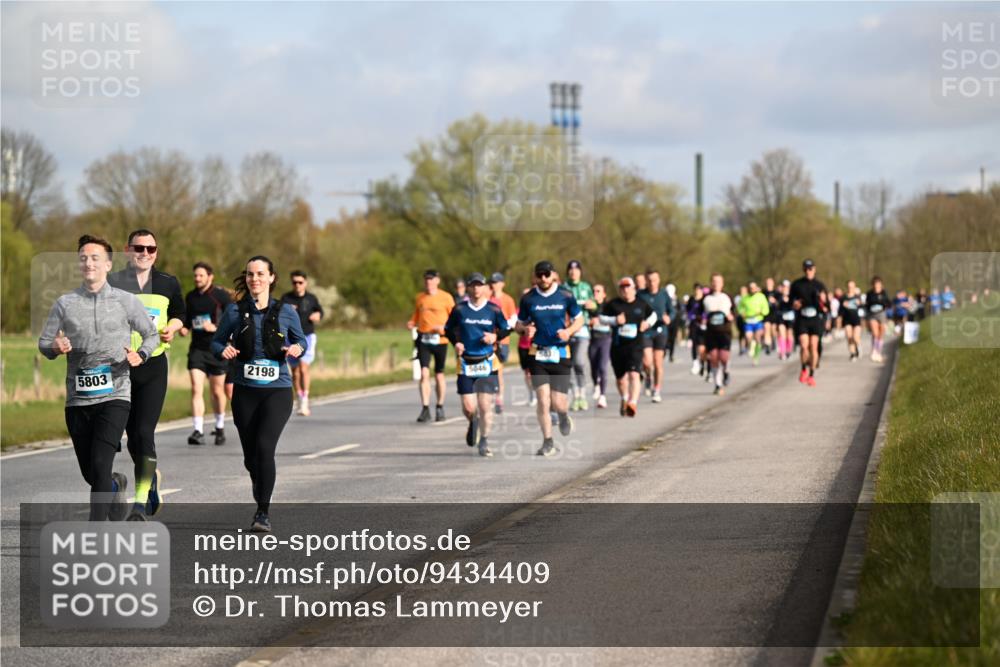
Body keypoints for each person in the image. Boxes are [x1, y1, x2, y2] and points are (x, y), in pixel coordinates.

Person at [38, 235, 158, 521]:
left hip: (115, 395)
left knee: (101, 463)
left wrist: (140, 355)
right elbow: (44, 343)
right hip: (78, 400)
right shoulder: (64, 304)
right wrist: (55, 347)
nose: (88, 262)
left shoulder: (125, 301)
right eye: (83, 258)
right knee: (92, 473)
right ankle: (115, 485)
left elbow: (151, 334)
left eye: (95, 257)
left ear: (107, 264)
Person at [212, 256, 307, 533]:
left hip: (277, 391)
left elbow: (300, 340)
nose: (255, 279)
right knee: (251, 458)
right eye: (251, 274)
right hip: (245, 392)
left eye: (261, 274)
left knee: (265, 449)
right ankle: (260, 478)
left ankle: (262, 512)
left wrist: (297, 349)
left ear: (272, 277)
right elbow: (217, 341)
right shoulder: (233, 311)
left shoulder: (287, 311)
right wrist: (223, 350)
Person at [108, 229, 185, 520]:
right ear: (128, 250)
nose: (145, 254)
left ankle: (139, 504)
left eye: (151, 249)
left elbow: (180, 313)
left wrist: (173, 327)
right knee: (130, 438)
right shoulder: (114, 282)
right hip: (120, 367)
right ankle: (150, 479)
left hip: (152, 365)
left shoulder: (167, 282)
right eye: (139, 248)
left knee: (143, 432)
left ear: (157, 252)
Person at [516, 260, 583, 457]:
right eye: (540, 274)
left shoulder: (566, 295)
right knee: (543, 400)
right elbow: (518, 324)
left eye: (547, 274)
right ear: (535, 276)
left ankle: (563, 415)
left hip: (561, 352)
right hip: (537, 353)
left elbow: (579, 319)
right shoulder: (528, 299)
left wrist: (569, 331)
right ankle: (548, 441)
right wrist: (525, 329)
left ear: (553, 274)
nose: (543, 278)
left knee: (558, 402)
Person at [445, 273, 511, 457]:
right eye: (473, 285)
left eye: (479, 285)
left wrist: (495, 337)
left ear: (484, 288)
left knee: (485, 405)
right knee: (468, 406)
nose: (476, 289)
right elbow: (448, 329)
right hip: (466, 362)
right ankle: (473, 422)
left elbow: (506, 329)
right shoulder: (459, 309)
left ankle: (484, 440)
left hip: (487, 361)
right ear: (468, 288)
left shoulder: (493, 310)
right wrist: (456, 343)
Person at [180, 262, 232, 445]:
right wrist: (184, 328)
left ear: (210, 276)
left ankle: (219, 427)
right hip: (197, 349)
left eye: (201, 275)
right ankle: (198, 430)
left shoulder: (221, 296)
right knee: (196, 388)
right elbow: (187, 319)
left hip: (217, 349)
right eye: (195, 276)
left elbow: (233, 321)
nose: (197, 279)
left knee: (217, 391)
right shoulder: (191, 297)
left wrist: (216, 327)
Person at [599, 276, 655, 416]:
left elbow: (653, 316)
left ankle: (633, 403)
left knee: (634, 374)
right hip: (618, 346)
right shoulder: (613, 304)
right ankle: (624, 398)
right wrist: (614, 320)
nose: (625, 290)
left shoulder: (641, 304)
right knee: (621, 379)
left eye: (628, 287)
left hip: (635, 345)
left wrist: (647, 324)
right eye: (622, 288)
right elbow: (601, 318)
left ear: (634, 289)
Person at [407, 269, 455, 423]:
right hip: (424, 339)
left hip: (440, 340)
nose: (428, 282)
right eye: (426, 279)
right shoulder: (420, 298)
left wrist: (444, 327)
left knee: (439, 374)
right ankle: (425, 408)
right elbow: (416, 315)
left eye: (431, 279)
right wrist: (412, 322)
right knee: (424, 373)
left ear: (437, 281)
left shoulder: (446, 297)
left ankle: (440, 406)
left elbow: (455, 318)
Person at [281, 270, 324, 416]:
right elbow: (278, 315)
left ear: (305, 283)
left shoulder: (311, 298)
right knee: (295, 371)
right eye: (294, 282)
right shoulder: (286, 298)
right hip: (290, 338)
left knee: (303, 367)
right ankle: (299, 397)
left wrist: (317, 315)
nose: (297, 285)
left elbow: (320, 312)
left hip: (307, 336)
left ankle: (305, 399)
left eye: (300, 282)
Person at [789, 259, 828, 387]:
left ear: (814, 270)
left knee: (813, 346)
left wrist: (823, 302)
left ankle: (811, 375)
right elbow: (790, 301)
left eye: (810, 269)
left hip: (815, 319)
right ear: (803, 270)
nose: (808, 271)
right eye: (806, 269)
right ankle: (803, 368)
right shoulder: (797, 284)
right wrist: (794, 304)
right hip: (802, 319)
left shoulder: (820, 285)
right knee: (804, 346)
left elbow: (826, 306)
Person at [564, 260, 595, 411]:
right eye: (570, 269)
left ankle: (582, 393)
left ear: (580, 272)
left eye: (576, 270)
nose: (573, 272)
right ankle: (575, 395)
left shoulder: (586, 287)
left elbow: (595, 304)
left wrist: (591, 305)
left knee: (579, 362)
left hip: (582, 330)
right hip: (567, 331)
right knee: (567, 365)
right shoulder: (564, 288)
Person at [638, 268, 672, 402]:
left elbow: (672, 311)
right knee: (647, 362)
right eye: (649, 280)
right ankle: (647, 376)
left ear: (659, 280)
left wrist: (669, 317)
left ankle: (656, 389)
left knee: (658, 363)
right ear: (646, 281)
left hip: (660, 331)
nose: (652, 283)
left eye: (655, 280)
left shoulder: (664, 294)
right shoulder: (641, 295)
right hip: (646, 331)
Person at [487, 272, 518, 415]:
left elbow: (513, 319)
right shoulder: (487, 298)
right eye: (492, 282)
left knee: (498, 369)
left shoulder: (508, 299)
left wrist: (503, 331)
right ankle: (493, 397)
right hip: (488, 339)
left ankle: (499, 397)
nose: (494, 285)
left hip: (502, 340)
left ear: (502, 284)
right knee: (490, 369)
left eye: (496, 282)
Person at [702, 273, 735, 395]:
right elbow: (701, 314)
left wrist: (731, 316)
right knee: (714, 358)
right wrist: (702, 320)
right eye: (714, 281)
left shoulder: (727, 297)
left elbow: (734, 312)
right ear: (711, 283)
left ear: (722, 283)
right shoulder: (706, 299)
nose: (716, 284)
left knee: (724, 357)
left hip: (724, 332)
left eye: (718, 281)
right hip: (711, 333)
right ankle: (718, 384)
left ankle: (726, 371)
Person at [587, 283, 612, 409]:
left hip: (605, 339)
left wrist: (599, 319)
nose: (595, 293)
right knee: (593, 367)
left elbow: (613, 320)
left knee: (602, 367)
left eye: (598, 291)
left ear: (604, 294)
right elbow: (582, 320)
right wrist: (589, 322)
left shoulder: (608, 306)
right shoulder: (588, 306)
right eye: (594, 291)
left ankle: (603, 396)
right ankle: (596, 384)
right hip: (592, 339)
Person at [737, 281, 769, 365]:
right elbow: (739, 307)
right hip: (748, 321)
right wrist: (741, 312)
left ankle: (756, 356)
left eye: (754, 288)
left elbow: (766, 308)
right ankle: (751, 346)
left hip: (758, 320)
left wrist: (762, 312)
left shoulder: (761, 297)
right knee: (748, 337)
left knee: (758, 337)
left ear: (756, 288)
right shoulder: (745, 298)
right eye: (750, 288)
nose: (752, 289)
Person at [865, 276, 892, 363]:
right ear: (873, 285)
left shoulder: (884, 293)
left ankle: (878, 352)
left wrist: (884, 303)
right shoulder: (869, 293)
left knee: (881, 333)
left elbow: (888, 303)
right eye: (875, 284)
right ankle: (874, 351)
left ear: (881, 285)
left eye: (878, 284)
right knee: (875, 333)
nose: (877, 286)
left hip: (882, 314)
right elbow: (867, 305)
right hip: (872, 315)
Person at [687, 283, 707, 376]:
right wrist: (692, 317)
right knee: (694, 344)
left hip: (703, 325)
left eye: (699, 289)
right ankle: (695, 363)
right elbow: (688, 311)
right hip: (693, 324)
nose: (697, 291)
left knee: (702, 347)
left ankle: (702, 364)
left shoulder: (705, 299)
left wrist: (703, 318)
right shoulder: (691, 299)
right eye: (695, 289)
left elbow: (706, 311)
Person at [841, 280, 864, 362]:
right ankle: (853, 353)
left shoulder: (858, 297)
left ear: (854, 287)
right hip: (847, 319)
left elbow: (863, 308)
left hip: (856, 319)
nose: (850, 288)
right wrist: (843, 306)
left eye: (852, 287)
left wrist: (860, 304)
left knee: (855, 337)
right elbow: (840, 311)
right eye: (849, 287)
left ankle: (858, 346)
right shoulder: (844, 297)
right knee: (849, 337)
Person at [776, 279, 796, 361]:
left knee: (789, 334)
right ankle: (782, 352)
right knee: (782, 333)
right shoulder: (779, 296)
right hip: (781, 317)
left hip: (790, 318)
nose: (785, 288)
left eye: (787, 287)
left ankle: (788, 350)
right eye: (784, 286)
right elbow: (776, 305)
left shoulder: (792, 296)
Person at [762, 277, 780, 355]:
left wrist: (775, 301)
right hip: (766, 314)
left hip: (774, 313)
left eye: (770, 283)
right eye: (767, 283)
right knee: (766, 328)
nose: (768, 284)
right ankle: (768, 346)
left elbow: (780, 303)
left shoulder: (777, 293)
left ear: (773, 283)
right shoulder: (763, 292)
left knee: (773, 330)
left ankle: (774, 341)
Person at [665, 283, 680, 362]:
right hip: (667, 321)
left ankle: (671, 354)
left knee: (673, 338)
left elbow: (680, 309)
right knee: (666, 337)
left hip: (675, 321)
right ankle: (665, 350)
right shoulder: (664, 298)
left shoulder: (676, 299)